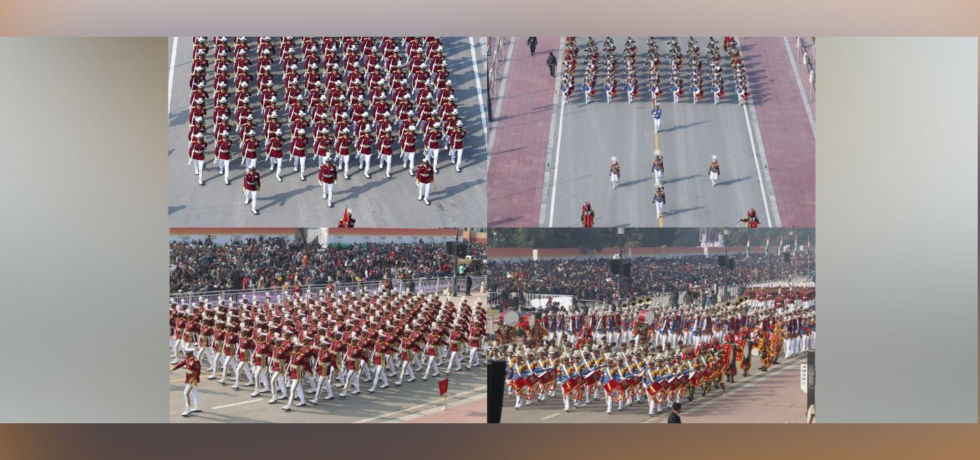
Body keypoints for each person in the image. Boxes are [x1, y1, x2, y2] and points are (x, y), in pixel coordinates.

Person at [171, 348, 202, 417]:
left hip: (192, 379)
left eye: (186, 353)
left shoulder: (195, 361)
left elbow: (198, 371)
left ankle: (188, 409)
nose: (185, 354)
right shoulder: (187, 358)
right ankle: (198, 406)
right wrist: (173, 368)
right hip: (188, 378)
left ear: (190, 353)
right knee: (194, 392)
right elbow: (181, 364)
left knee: (186, 393)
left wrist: (195, 379)